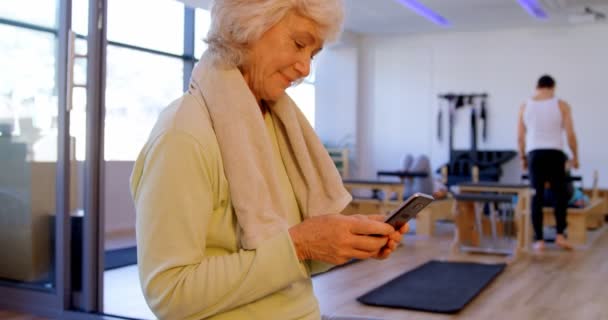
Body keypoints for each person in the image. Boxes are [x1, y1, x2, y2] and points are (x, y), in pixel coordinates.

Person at [129, 1, 408, 319]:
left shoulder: (274, 124)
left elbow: (282, 264)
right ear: (248, 26)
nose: (305, 68)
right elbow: (170, 293)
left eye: (313, 55)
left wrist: (344, 241)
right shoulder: (184, 134)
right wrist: (301, 245)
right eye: (299, 44)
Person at [517, 74, 579, 251]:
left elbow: (520, 138)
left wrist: (523, 158)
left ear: (537, 87)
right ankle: (560, 235)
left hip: (535, 154)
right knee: (560, 195)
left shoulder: (525, 106)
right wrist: (576, 156)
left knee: (536, 196)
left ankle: (539, 240)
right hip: (555, 154)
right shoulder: (561, 104)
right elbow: (571, 135)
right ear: (553, 87)